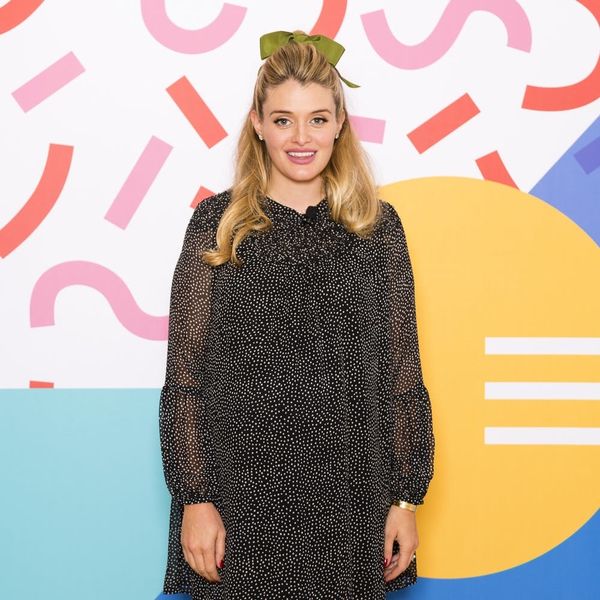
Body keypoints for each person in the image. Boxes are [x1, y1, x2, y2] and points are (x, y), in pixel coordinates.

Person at [158, 30, 434, 599]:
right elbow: (185, 378)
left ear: (340, 124)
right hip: (239, 497)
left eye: (317, 119)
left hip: (352, 498)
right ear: (258, 124)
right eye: (284, 120)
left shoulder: (378, 228)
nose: (301, 138)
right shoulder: (218, 225)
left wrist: (406, 499)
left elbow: (402, 375)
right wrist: (194, 499)